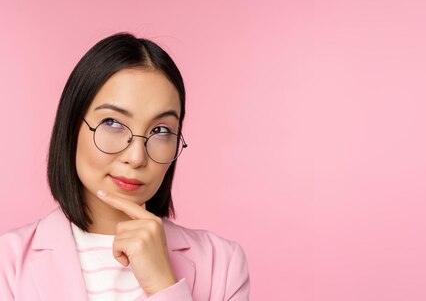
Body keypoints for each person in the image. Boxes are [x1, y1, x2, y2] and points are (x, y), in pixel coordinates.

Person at [0, 32, 251, 300]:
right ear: (72, 126)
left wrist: (164, 285)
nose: (136, 157)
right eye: (112, 123)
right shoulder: (7, 264)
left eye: (161, 130)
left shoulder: (223, 264)